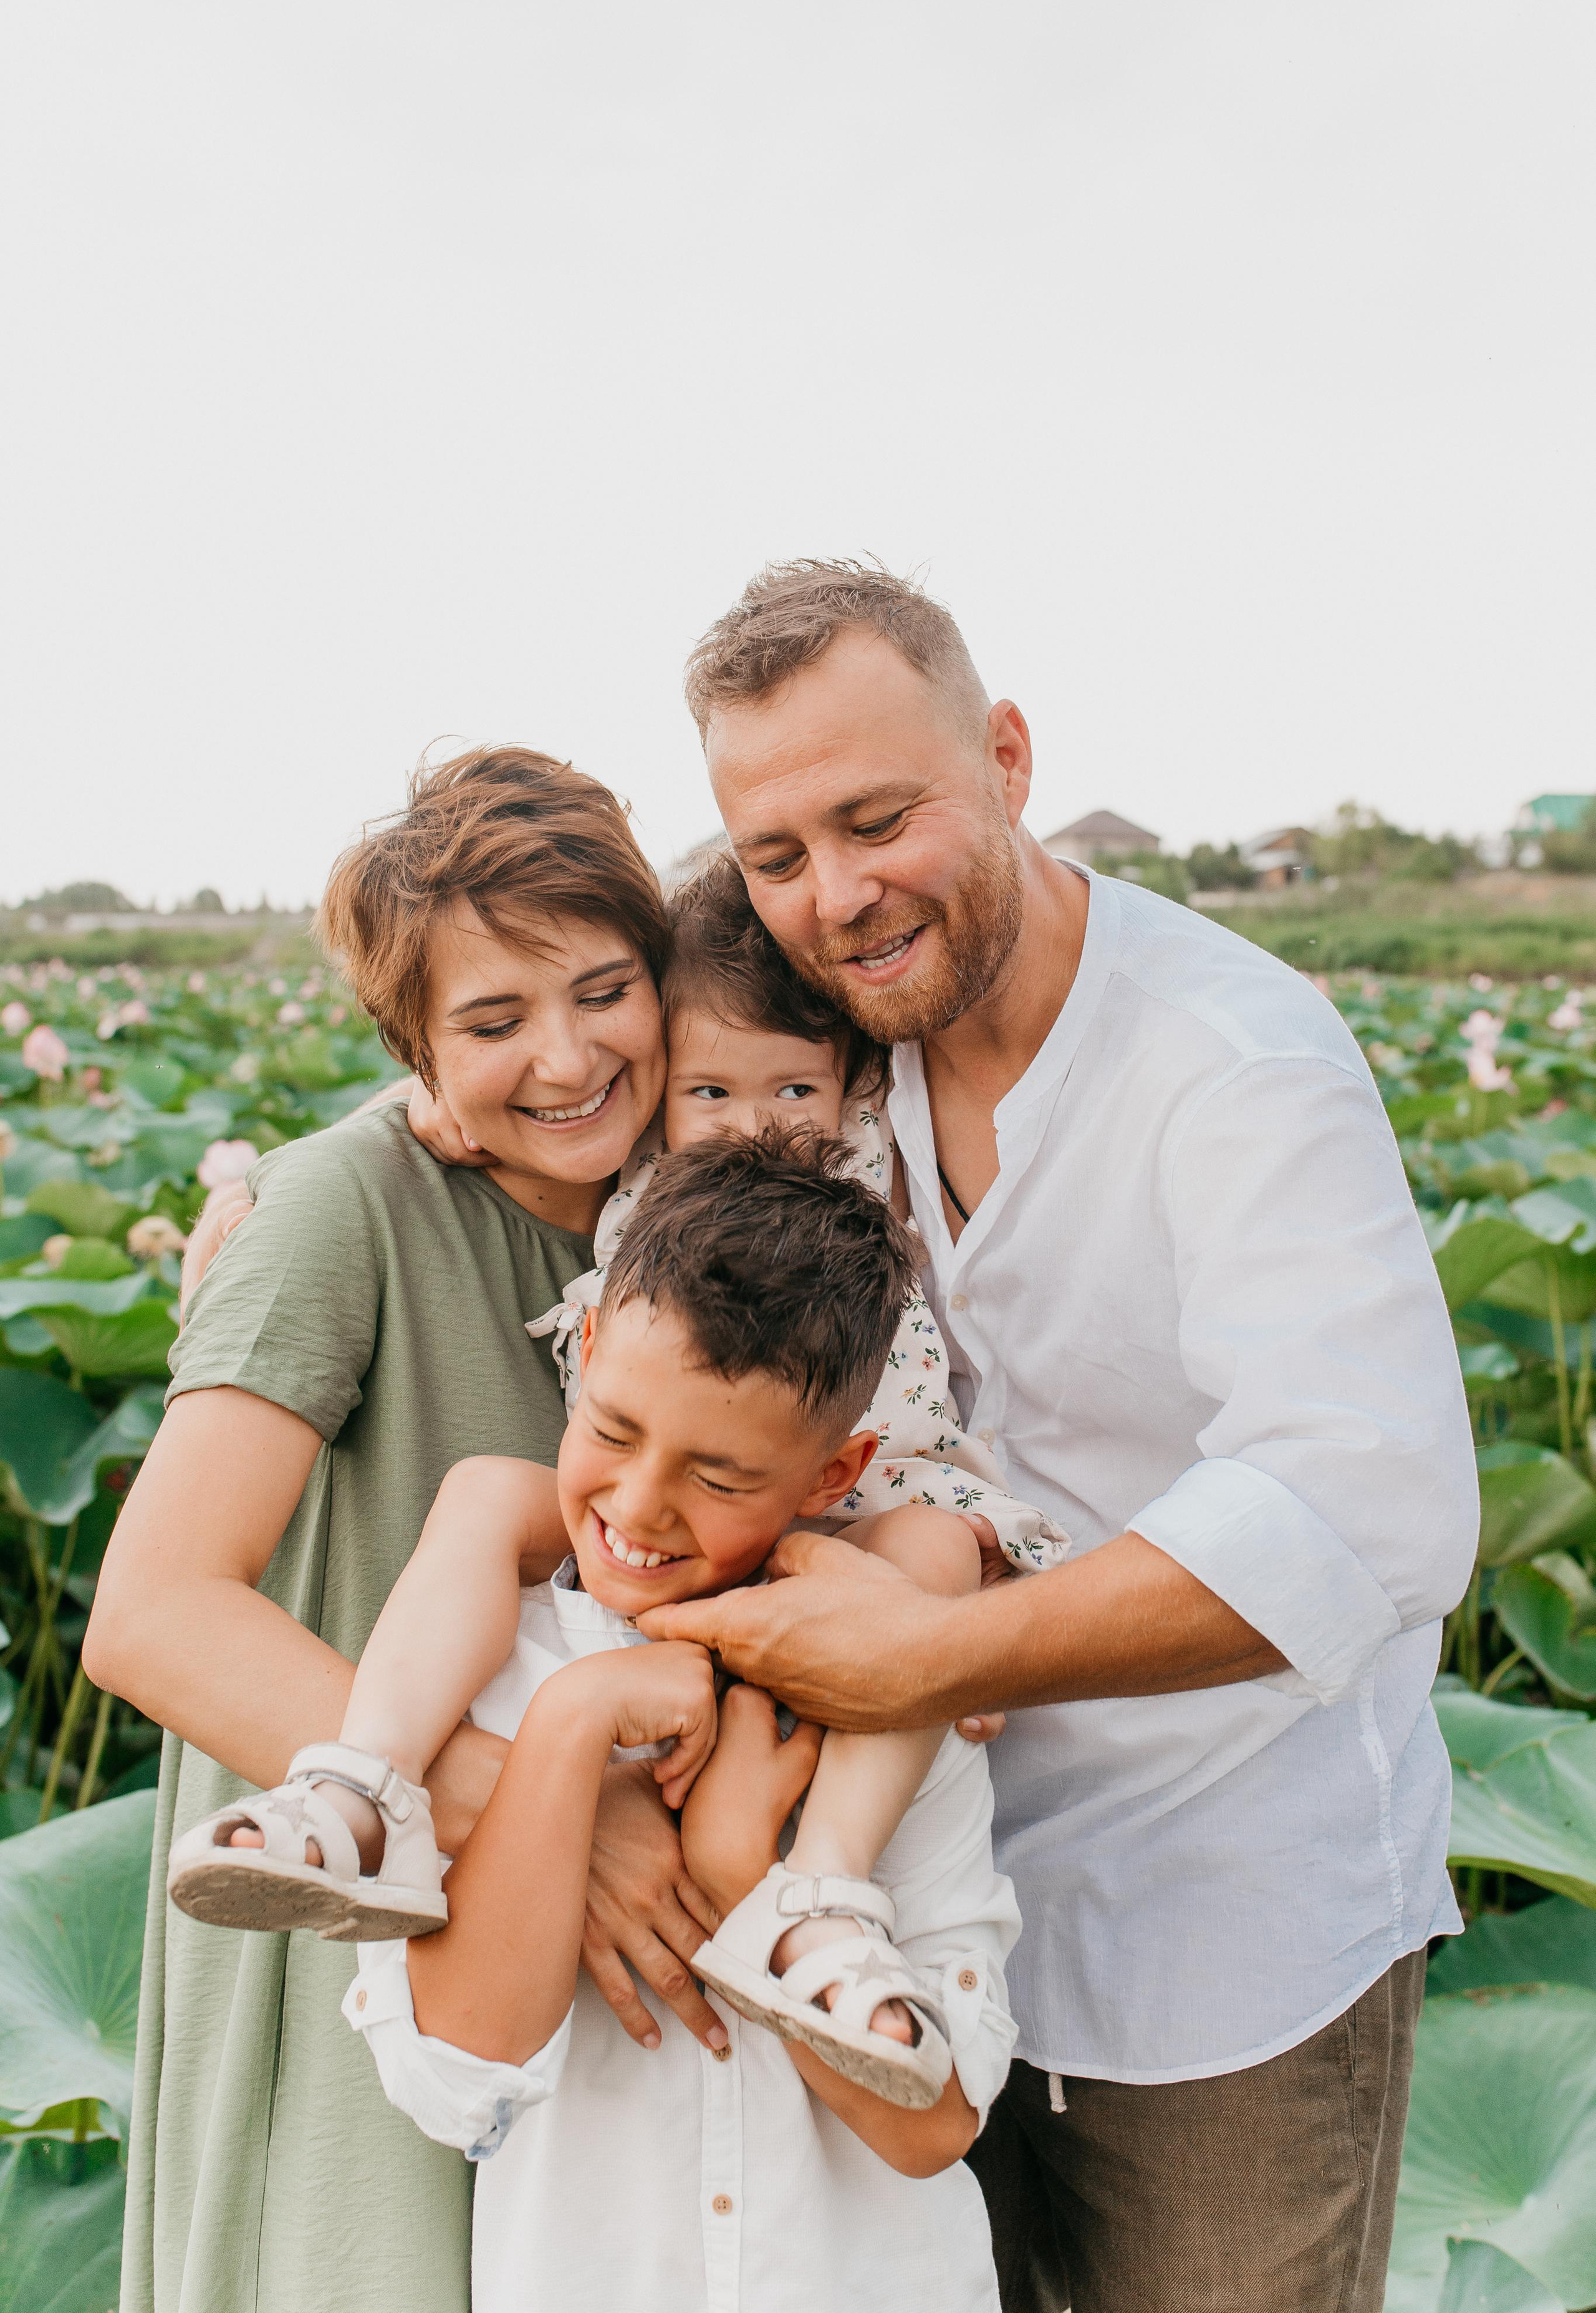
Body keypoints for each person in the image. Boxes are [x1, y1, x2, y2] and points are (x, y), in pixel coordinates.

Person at [625, 559, 1481, 2313]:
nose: (836, 896)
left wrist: (928, 1657)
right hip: (908, 1910)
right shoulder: (838, 1052)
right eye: (777, 857)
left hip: (1222, 1928)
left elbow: (1374, 1510)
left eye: (878, 819)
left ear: (1007, 757)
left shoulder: (1235, 1062)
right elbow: (557, 1051)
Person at [163, 856, 1064, 2113]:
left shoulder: (861, 1140)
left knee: (922, 1579)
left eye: (789, 1090)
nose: (752, 1124)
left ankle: (826, 1901)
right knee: (486, 1492)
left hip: (861, 1508)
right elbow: (520, 1062)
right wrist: (298, 1166)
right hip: (697, 1518)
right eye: (710, 1090)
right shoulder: (642, 1140)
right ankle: (359, 1784)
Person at [84, 748, 721, 2313]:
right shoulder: (332, 1207)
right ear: (414, 1047)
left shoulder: (699, 1209)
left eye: (601, 991)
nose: (566, 1059)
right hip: (373, 1904)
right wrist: (532, 1817)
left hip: (617, 1962)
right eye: (493, 1024)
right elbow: (151, 1614)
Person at [341, 1130, 1022, 2313]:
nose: (639, 1506)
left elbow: (934, 2129)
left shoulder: (892, 1713)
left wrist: (734, 1870)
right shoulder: (477, 1657)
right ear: (586, 1347)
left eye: (719, 1478)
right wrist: (572, 1719)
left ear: (832, 1474)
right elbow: (456, 2070)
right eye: (611, 1432)